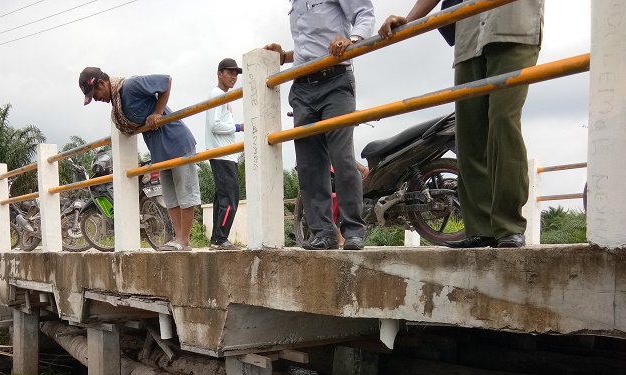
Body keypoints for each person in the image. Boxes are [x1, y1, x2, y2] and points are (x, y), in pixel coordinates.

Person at [379, 0, 543, 248]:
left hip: (512, 26)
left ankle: (508, 225)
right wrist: (410, 18)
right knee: (469, 132)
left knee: (502, 121)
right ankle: (481, 227)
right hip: (469, 36)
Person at [265, 0, 375, 251]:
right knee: (309, 164)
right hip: (303, 87)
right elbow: (310, 46)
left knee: (342, 157)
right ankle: (323, 232)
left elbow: (364, 14)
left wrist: (352, 39)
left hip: (335, 80)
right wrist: (284, 56)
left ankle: (354, 230)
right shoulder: (294, 4)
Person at [79, 66, 201, 251]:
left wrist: (158, 112)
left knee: (185, 193)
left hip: (176, 142)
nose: (96, 99)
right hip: (160, 150)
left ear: (102, 83)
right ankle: (178, 238)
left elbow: (166, 80)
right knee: (170, 197)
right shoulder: (118, 105)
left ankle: (184, 240)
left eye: (95, 94)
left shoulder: (130, 86)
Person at [205, 58, 244, 251]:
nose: (234, 77)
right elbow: (215, 125)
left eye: (236, 74)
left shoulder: (225, 97)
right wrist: (239, 127)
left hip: (226, 155)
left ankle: (217, 238)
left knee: (222, 199)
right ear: (219, 73)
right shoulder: (217, 94)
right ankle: (221, 239)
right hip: (222, 155)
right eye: (230, 72)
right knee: (230, 199)